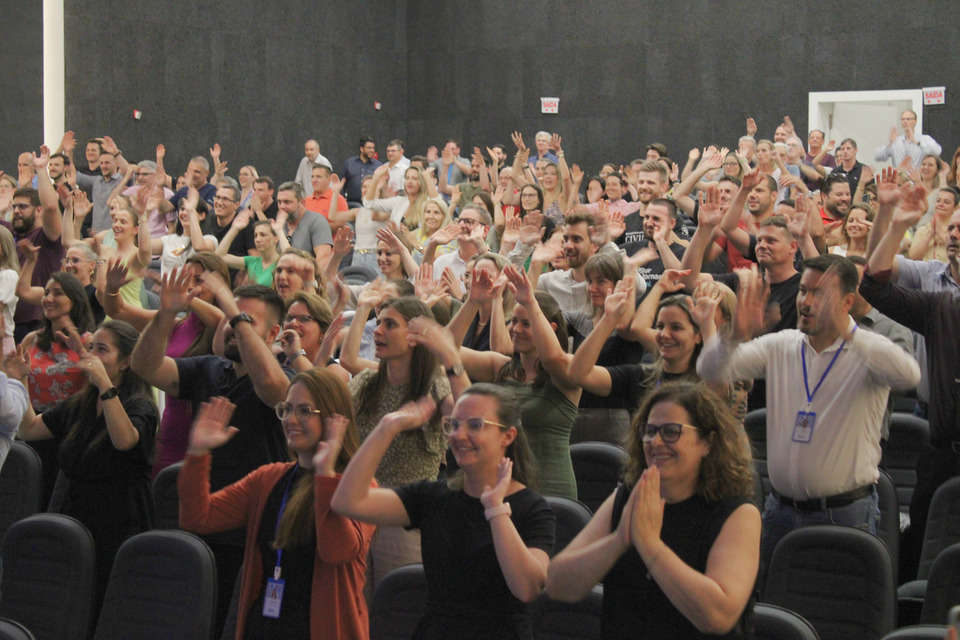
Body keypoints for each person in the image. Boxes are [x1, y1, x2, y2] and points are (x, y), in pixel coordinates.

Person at [697, 257, 920, 567]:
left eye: (820, 294)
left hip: (845, 514)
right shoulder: (782, 345)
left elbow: (910, 376)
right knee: (775, 606)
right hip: (779, 511)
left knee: (838, 609)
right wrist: (733, 335)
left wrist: (849, 333)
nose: (806, 301)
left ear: (847, 302)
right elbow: (709, 368)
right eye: (803, 291)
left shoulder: (867, 351)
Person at [332, 383, 556, 639]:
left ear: (508, 436)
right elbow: (346, 501)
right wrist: (387, 427)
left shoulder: (533, 509)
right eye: (454, 425)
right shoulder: (432, 497)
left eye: (475, 425)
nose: (459, 435)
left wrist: (495, 509)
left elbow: (527, 588)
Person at [546, 382, 760, 639]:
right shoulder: (629, 497)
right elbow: (557, 584)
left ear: (708, 443)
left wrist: (649, 545)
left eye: (671, 431)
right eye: (649, 431)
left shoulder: (738, 513)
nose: (655, 442)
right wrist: (618, 540)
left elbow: (717, 617)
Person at [179, 370, 374, 640]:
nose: (291, 420)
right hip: (265, 626)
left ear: (332, 419)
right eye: (287, 409)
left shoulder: (359, 486)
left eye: (305, 410)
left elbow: (337, 551)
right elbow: (197, 518)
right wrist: (198, 452)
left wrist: (325, 475)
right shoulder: (268, 479)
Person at [13, 320, 158, 603]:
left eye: (102, 350)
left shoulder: (140, 405)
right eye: (91, 348)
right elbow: (28, 429)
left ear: (127, 361)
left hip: (118, 527)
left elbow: (125, 441)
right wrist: (21, 379)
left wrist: (105, 384)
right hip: (76, 520)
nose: (91, 356)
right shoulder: (80, 403)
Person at [418, 266, 581, 498]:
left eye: (526, 323)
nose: (516, 329)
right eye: (514, 321)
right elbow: (444, 349)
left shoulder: (568, 369)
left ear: (551, 328)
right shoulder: (500, 366)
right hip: (503, 486)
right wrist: (472, 302)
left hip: (552, 488)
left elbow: (553, 357)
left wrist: (531, 303)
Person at [341, 294, 453, 594]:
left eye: (390, 324)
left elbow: (469, 418)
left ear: (415, 338)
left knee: (399, 609)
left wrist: (451, 360)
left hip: (407, 516)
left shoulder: (436, 387)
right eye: (379, 324)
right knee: (358, 611)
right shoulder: (365, 383)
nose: (377, 332)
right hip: (360, 509)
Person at [101, 255, 227, 477]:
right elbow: (117, 311)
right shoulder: (173, 324)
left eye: (198, 280)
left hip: (211, 436)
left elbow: (221, 320)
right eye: (186, 279)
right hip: (172, 433)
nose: (190, 286)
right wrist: (111, 288)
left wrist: (187, 297)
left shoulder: (227, 325)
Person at [216, 214, 288, 287]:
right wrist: (234, 228)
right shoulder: (251, 261)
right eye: (255, 236)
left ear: (276, 238)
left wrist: (279, 231)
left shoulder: (280, 263)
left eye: (263, 235)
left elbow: (293, 257)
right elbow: (219, 256)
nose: (257, 240)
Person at [875, 109, 941, 168]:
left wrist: (916, 142)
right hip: (899, 180)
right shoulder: (896, 141)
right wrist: (890, 143)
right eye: (903, 119)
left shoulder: (924, 139)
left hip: (918, 179)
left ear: (915, 121)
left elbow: (937, 151)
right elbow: (877, 157)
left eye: (908, 119)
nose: (905, 121)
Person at [341, 137, 382, 208]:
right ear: (361, 149)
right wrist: (342, 200)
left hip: (371, 204)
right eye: (369, 148)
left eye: (373, 148)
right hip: (352, 204)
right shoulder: (349, 163)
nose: (372, 150)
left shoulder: (378, 165)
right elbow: (342, 184)